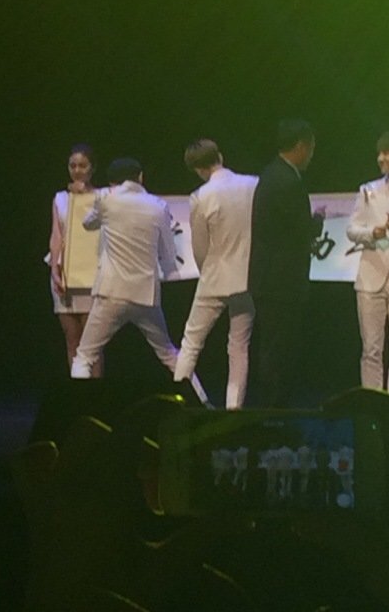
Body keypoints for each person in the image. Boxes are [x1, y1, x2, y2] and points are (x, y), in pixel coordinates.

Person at [70, 158, 210, 407]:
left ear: (113, 182)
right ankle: (202, 402)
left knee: (85, 355)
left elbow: (87, 223)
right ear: (141, 177)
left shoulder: (106, 200)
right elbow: (168, 254)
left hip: (111, 292)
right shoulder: (158, 205)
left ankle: (76, 407)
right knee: (169, 353)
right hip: (146, 294)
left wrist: (100, 197)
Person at [174, 139, 258, 409]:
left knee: (191, 343)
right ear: (219, 156)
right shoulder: (253, 184)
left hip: (214, 277)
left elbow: (200, 247)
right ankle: (234, 409)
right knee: (239, 346)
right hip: (247, 277)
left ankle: (181, 403)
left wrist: (205, 271)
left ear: (197, 169)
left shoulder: (201, 196)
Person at [248, 119, 323, 407]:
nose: (312, 155)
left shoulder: (270, 174)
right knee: (279, 350)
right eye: (311, 148)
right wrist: (317, 222)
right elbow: (300, 228)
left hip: (269, 279)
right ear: (301, 146)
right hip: (282, 282)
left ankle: (272, 407)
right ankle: (275, 410)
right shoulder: (288, 181)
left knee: (272, 346)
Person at [347, 130, 389, 395]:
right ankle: (372, 406)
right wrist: (371, 233)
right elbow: (352, 229)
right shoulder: (368, 190)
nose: (381, 158)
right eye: (379, 153)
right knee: (371, 350)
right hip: (370, 277)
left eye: (387, 153)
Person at [48, 143, 103, 375]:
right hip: (65, 273)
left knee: (92, 344)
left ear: (92, 168)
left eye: (82, 165)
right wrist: (54, 270)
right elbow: (56, 236)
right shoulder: (61, 198)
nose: (77, 170)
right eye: (73, 166)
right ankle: (77, 389)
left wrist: (83, 197)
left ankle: (97, 389)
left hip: (92, 273)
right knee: (72, 339)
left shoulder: (102, 197)